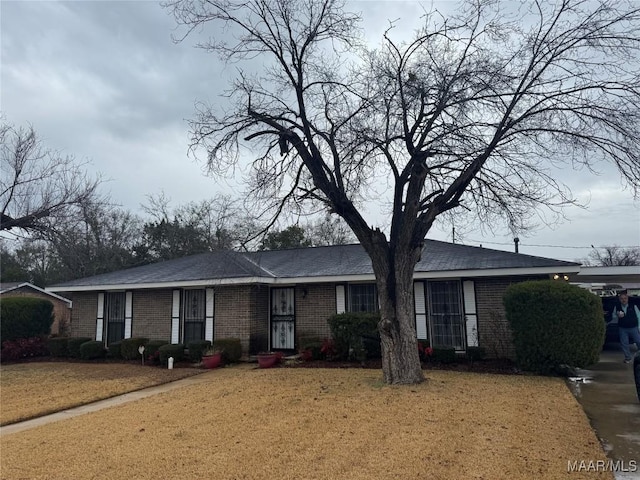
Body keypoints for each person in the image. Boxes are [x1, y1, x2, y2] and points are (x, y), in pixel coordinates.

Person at [611, 292, 640, 363]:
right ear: (619, 299)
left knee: (638, 341)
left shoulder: (633, 306)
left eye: (625, 298)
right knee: (624, 343)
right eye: (622, 299)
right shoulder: (617, 307)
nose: (623, 300)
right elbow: (613, 317)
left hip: (634, 327)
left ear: (627, 299)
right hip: (623, 328)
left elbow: (638, 316)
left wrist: (639, 327)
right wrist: (617, 315)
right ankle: (628, 358)